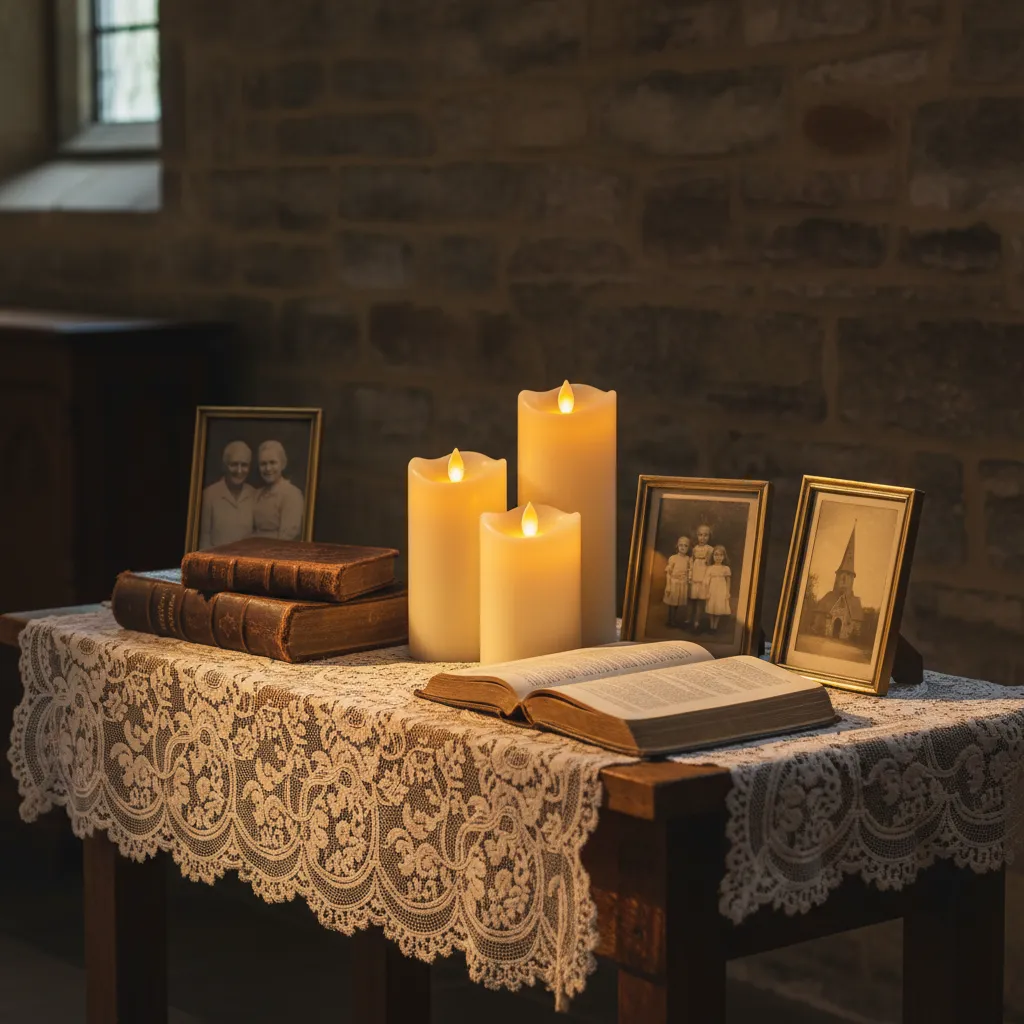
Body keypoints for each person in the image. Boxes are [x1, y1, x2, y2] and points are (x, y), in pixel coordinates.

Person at [198, 441, 256, 550]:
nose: (239, 471)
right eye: (234, 464)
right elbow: (203, 540)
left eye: (244, 465)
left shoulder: (254, 495)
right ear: (224, 466)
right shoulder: (209, 495)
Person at [253, 440, 304, 540]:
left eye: (273, 463)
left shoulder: (291, 494)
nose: (268, 468)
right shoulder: (258, 494)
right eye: (263, 464)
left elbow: (287, 536)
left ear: (283, 464)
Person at [662, 536, 692, 629]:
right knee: (672, 603)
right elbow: (668, 573)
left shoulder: (688, 559)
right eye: (681, 545)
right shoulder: (673, 558)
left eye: (685, 546)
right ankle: (670, 620)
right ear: (677, 546)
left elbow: (689, 570)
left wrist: (689, 578)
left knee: (677, 603)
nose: (683, 547)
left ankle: (673, 619)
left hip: (682, 583)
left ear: (688, 548)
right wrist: (668, 586)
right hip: (673, 582)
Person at [689, 523, 714, 631]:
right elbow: (691, 562)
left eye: (705, 535)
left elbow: (712, 565)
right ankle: (689, 619)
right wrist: (690, 576)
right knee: (692, 599)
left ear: (709, 536)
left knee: (700, 601)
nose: (702, 538)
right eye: (700, 535)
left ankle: (697, 622)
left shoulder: (710, 549)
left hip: (704, 577)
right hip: (695, 577)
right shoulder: (694, 548)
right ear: (697, 535)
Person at [704, 545, 732, 631]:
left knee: (719, 607)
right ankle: (711, 624)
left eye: (721, 555)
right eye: (716, 555)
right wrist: (707, 592)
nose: (718, 557)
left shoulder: (726, 568)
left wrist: (727, 592)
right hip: (712, 589)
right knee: (712, 607)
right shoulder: (710, 568)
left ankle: (715, 625)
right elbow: (706, 581)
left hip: (721, 589)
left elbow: (728, 581)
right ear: (713, 556)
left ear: (724, 556)